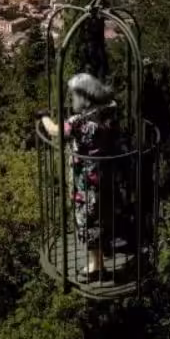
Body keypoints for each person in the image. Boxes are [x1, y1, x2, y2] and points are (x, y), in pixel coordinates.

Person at [41, 72, 117, 281]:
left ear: (83, 97)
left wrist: (44, 117)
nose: (71, 98)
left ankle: (95, 268)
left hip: (86, 180)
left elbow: (56, 131)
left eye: (74, 94)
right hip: (105, 174)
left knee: (88, 219)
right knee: (100, 217)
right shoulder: (107, 112)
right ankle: (99, 263)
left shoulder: (78, 121)